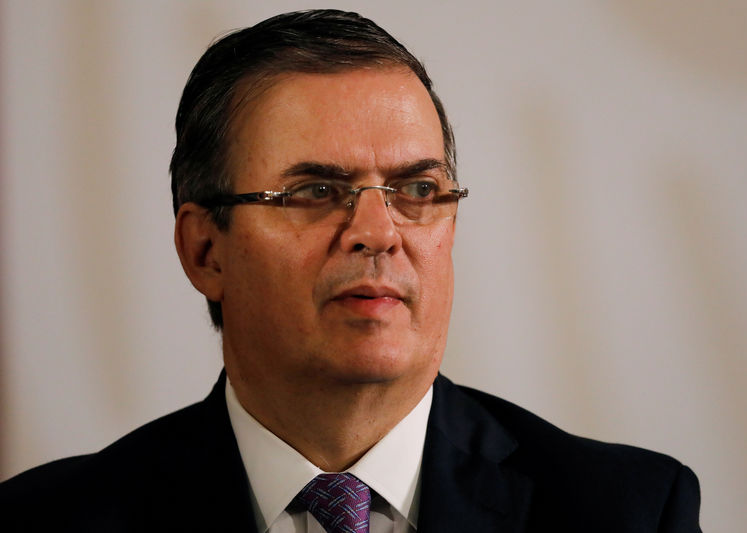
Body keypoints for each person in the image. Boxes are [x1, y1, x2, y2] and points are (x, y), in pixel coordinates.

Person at [0, 9, 702, 532]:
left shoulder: (627, 510)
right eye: (315, 192)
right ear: (205, 250)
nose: (377, 232)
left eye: (418, 191)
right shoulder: (50, 519)